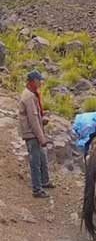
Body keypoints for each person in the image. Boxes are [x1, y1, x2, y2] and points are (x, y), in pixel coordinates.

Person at [18, 70, 54, 198]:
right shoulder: (29, 97)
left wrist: (42, 120)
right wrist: (42, 138)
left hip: (33, 133)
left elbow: (34, 117)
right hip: (31, 134)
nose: (40, 83)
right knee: (35, 161)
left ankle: (44, 181)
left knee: (42, 158)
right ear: (33, 81)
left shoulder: (31, 94)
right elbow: (33, 120)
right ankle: (37, 189)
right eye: (39, 80)